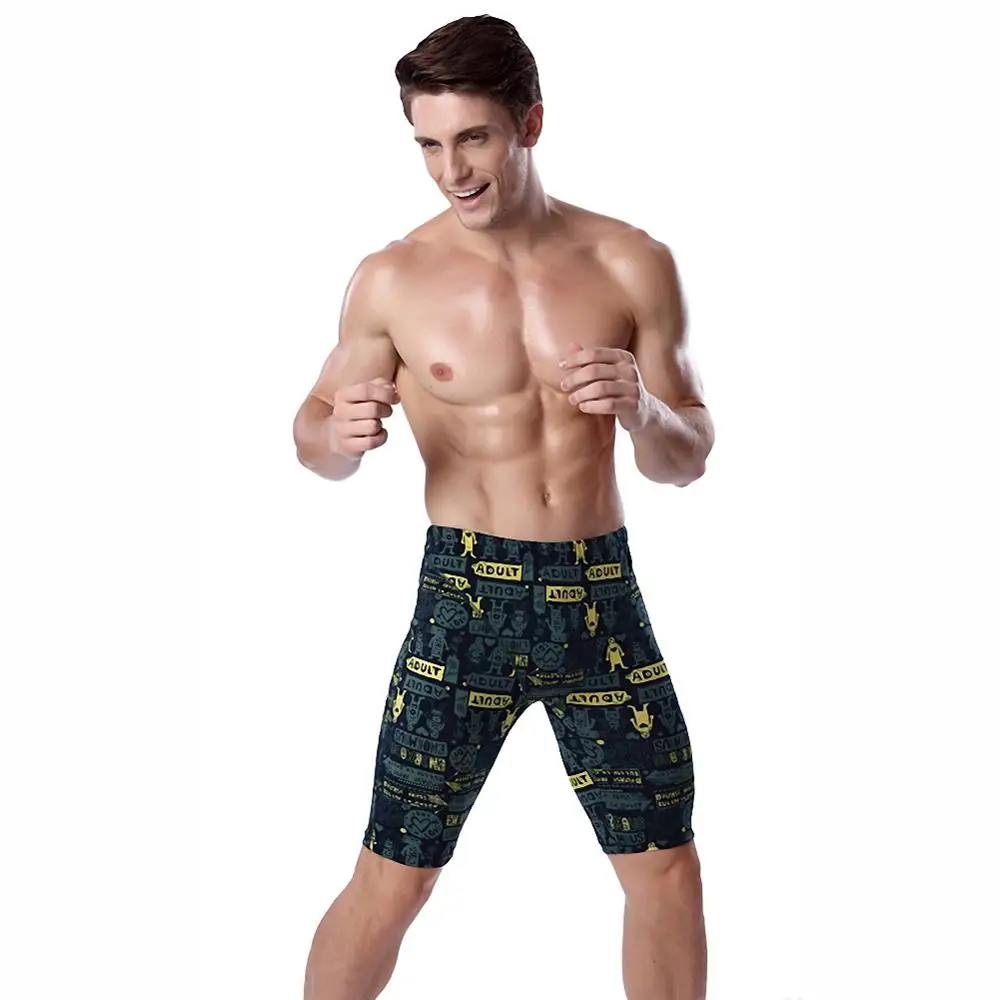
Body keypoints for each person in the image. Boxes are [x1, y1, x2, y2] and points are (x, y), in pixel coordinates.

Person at [292, 15, 715, 1000]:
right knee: (395, 872)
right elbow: (312, 435)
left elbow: (686, 459)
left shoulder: (630, 262)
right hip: (464, 599)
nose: (451, 171)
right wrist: (336, 434)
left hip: (598, 595)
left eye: (473, 138)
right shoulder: (391, 278)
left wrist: (645, 409)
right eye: (428, 145)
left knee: (666, 866)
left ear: (530, 123)